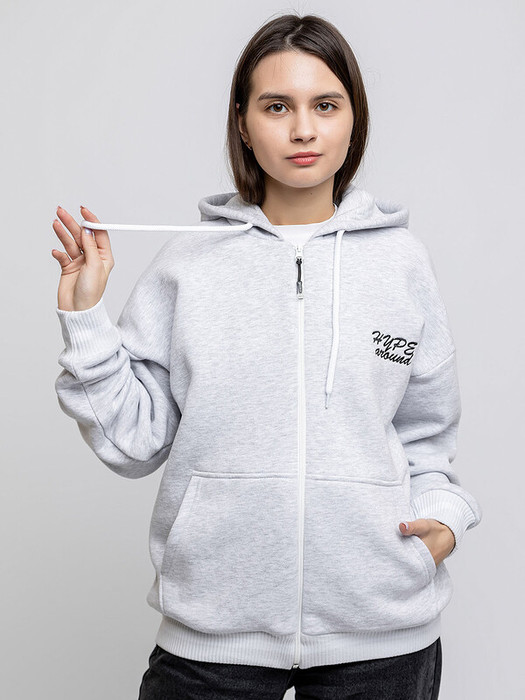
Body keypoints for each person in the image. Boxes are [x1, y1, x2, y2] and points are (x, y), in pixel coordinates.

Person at [52, 12, 482, 700]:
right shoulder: (187, 267)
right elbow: (134, 443)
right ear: (244, 124)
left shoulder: (401, 263)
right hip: (211, 635)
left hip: (383, 636)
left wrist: (443, 518)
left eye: (326, 105)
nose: (303, 129)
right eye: (277, 106)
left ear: (353, 119)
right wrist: (85, 318)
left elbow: (426, 432)